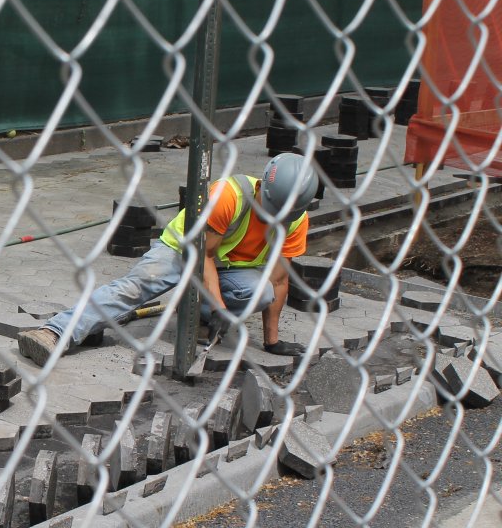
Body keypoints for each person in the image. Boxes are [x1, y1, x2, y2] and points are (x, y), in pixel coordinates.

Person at [18, 152, 319, 367]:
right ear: (262, 188)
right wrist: (220, 307)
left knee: (261, 292)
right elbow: (205, 256)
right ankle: (54, 332)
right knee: (136, 289)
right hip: (183, 248)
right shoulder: (229, 196)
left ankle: (200, 319)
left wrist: (272, 341)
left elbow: (279, 280)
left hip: (229, 268)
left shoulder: (295, 222)